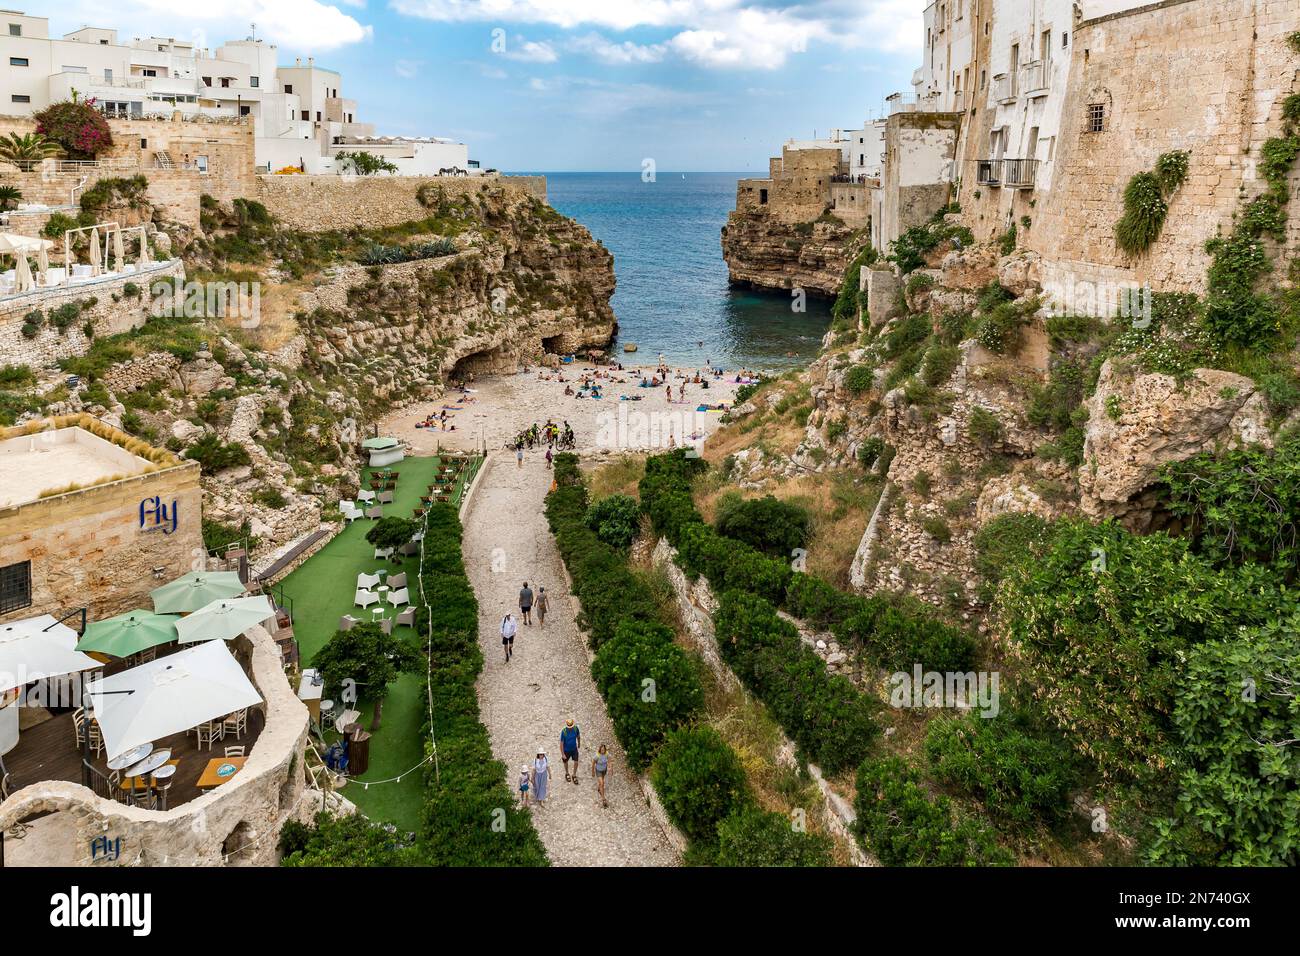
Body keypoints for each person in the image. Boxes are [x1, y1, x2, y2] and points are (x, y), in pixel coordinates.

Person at [559, 718, 581, 783]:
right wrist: (563, 754)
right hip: (566, 750)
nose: (570, 728)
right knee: (565, 762)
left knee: (576, 762)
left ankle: (574, 775)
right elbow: (561, 743)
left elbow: (578, 736)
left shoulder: (575, 729)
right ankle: (567, 773)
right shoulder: (564, 732)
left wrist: (579, 743)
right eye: (569, 727)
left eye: (571, 726)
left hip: (574, 749)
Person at [591, 744, 610, 809]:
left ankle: (599, 789)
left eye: (604, 750)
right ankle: (603, 799)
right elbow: (593, 763)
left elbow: (609, 759)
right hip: (598, 771)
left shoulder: (606, 754)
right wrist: (593, 772)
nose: (603, 751)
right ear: (600, 749)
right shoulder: (597, 756)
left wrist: (611, 767)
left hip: (604, 770)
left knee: (601, 783)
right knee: (602, 783)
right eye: (602, 750)